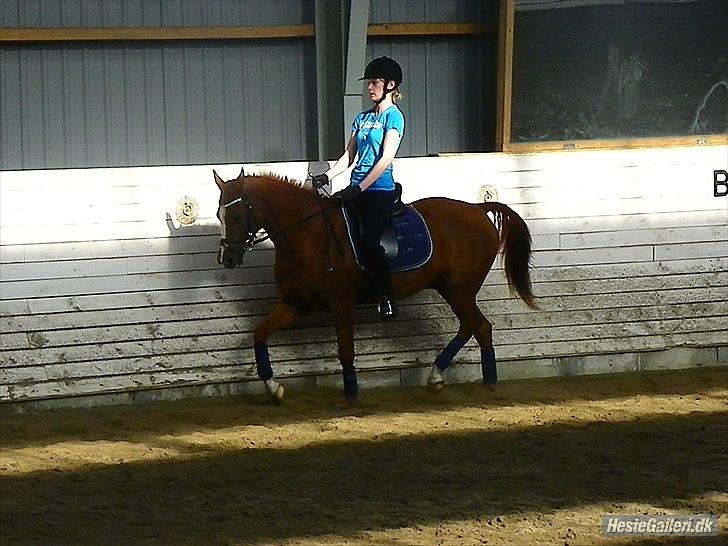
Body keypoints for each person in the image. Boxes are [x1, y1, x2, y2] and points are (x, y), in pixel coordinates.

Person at [312, 56, 405, 320]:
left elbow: (386, 158)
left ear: (390, 84)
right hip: (356, 188)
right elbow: (347, 157)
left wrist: (361, 188)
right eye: (369, 83)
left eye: (374, 82)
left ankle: (387, 296)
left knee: (369, 241)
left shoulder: (394, 117)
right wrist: (327, 176)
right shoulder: (361, 119)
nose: (369, 88)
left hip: (379, 191)